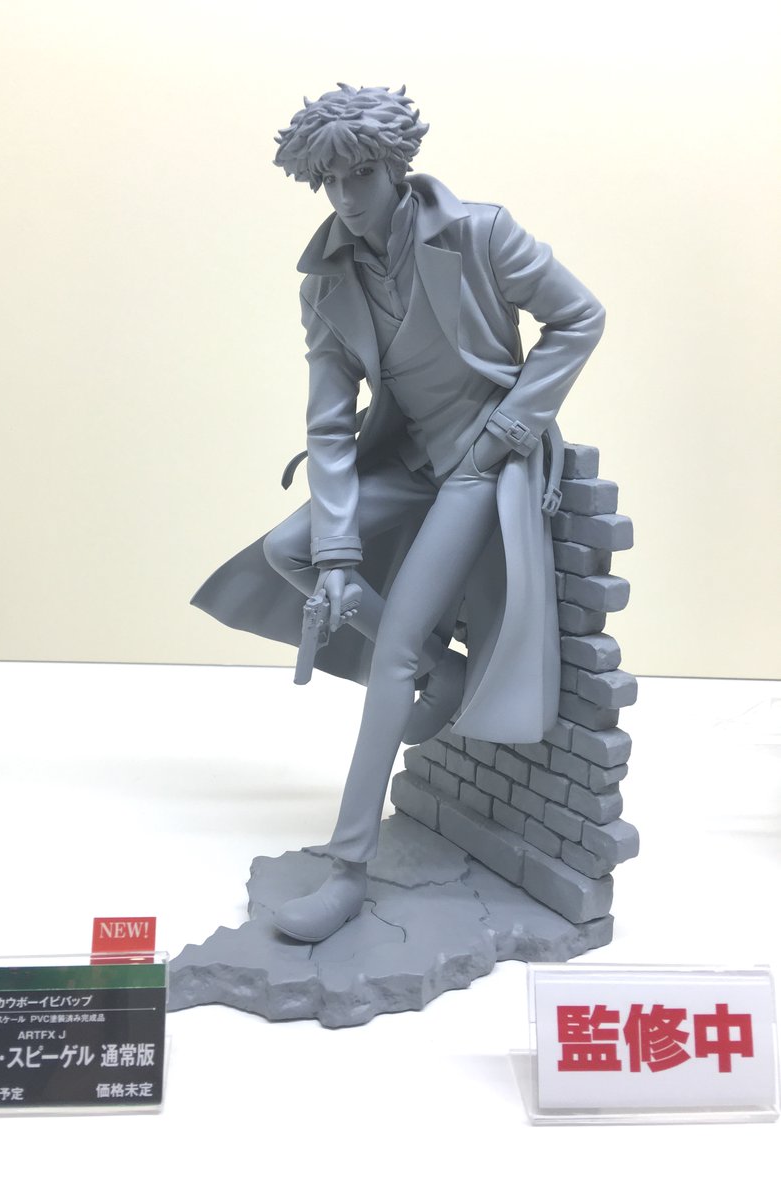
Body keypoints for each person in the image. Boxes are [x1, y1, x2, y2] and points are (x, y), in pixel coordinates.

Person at [193, 84, 605, 942]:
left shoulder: (481, 233)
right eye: (328, 181)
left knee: (391, 657)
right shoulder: (327, 283)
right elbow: (328, 424)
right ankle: (436, 672)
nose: (345, 196)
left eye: (361, 175)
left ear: (394, 166)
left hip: (480, 465)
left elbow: (579, 317)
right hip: (409, 456)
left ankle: (348, 867)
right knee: (292, 551)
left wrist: (509, 430)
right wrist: (340, 557)